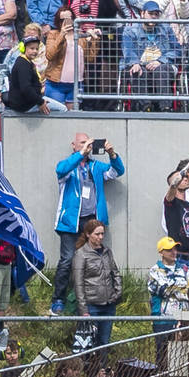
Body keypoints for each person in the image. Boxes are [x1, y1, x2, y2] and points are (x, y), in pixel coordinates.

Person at [52, 132, 124, 314]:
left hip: (91, 221)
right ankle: (58, 299)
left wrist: (112, 154)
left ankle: (89, 299)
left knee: (94, 261)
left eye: (89, 144)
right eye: (83, 143)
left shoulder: (96, 166)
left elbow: (117, 172)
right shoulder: (68, 165)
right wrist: (81, 154)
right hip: (70, 222)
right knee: (68, 260)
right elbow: (60, 170)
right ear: (73, 145)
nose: (87, 146)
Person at [73, 216, 123, 350]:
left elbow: (115, 272)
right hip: (91, 306)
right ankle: (90, 370)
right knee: (89, 344)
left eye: (102, 234)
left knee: (104, 342)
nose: (100, 237)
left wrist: (118, 292)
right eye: (97, 234)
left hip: (109, 304)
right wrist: (83, 310)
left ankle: (102, 368)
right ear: (88, 234)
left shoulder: (107, 252)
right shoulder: (81, 254)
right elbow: (78, 284)